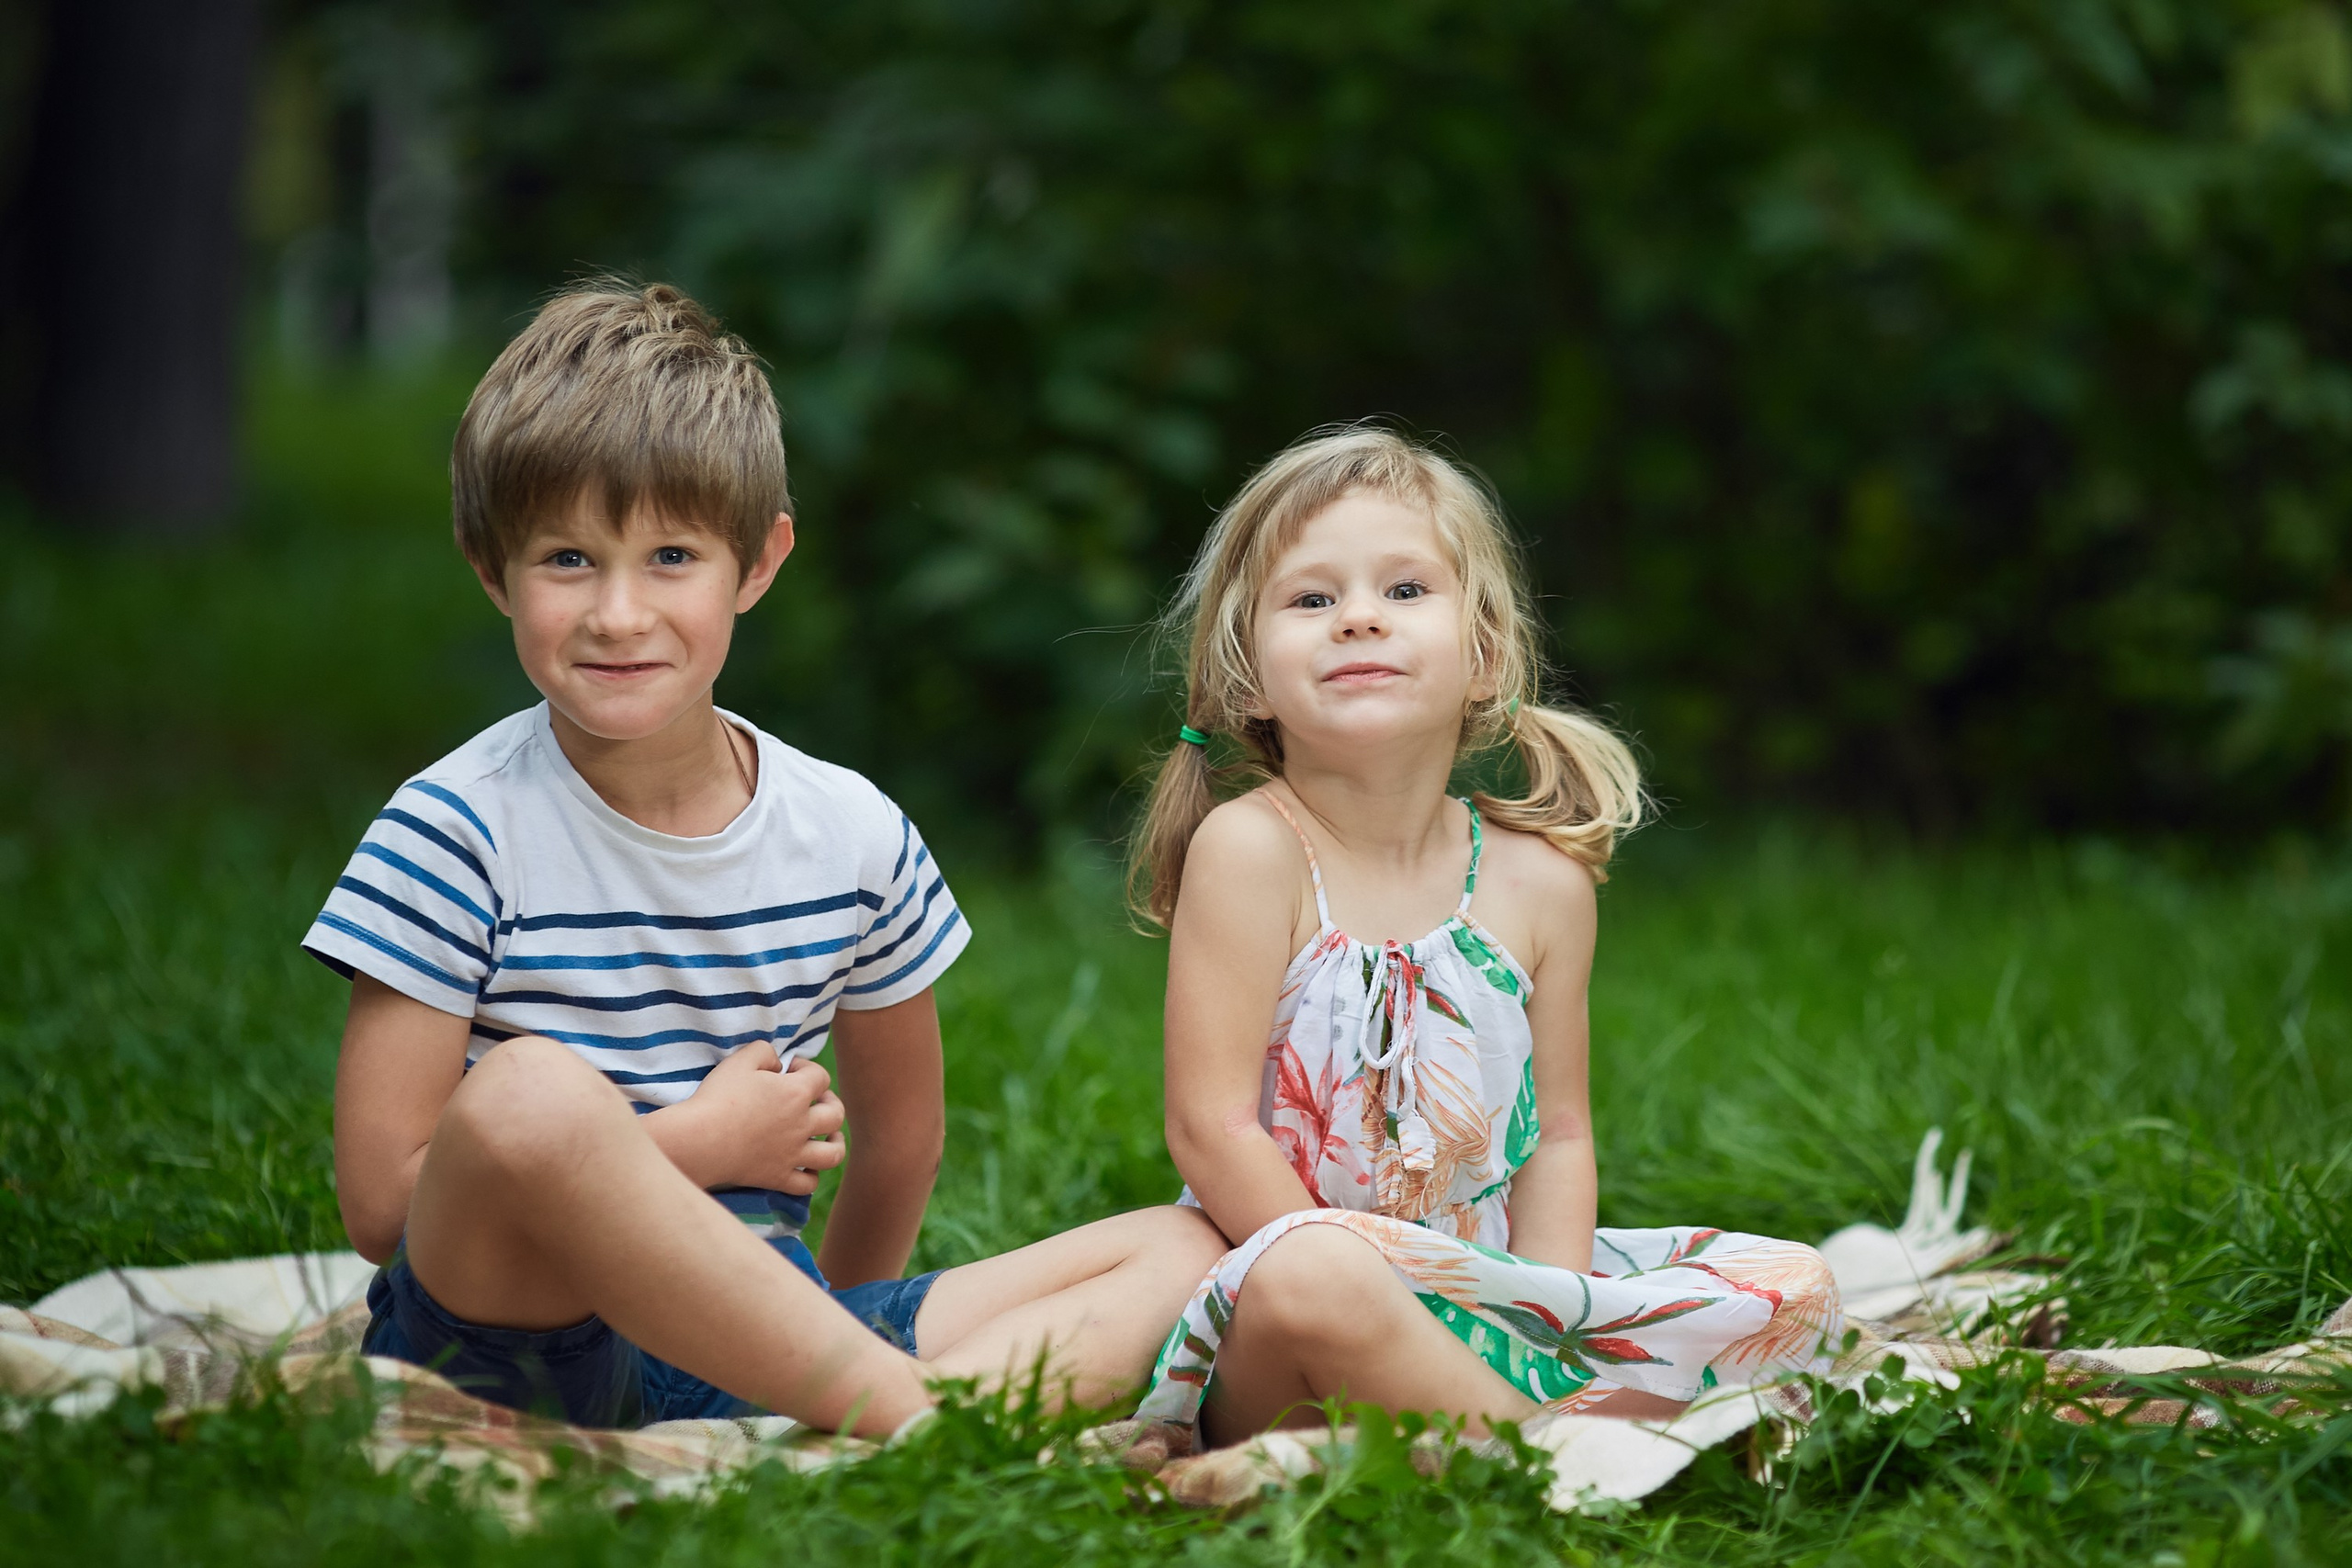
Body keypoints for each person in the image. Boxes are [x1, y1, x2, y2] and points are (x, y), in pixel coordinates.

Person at [308, 279, 1223, 1436]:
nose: (621, 613)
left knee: (1189, 1242)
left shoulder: (851, 835)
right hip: (523, 1344)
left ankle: (855, 1395)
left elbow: (902, 1139)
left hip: (753, 1334)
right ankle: (913, 1414)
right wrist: (700, 1143)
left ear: (759, 560)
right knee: (530, 1091)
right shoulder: (453, 831)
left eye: (673, 555)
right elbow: (385, 1203)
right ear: (492, 568)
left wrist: (810, 1330)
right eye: (568, 560)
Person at [1125, 427, 1841, 1446]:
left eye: (1406, 591)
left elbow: (1558, 1136)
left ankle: (1483, 1419)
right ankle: (1558, 1449)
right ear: (1246, 679)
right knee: (1317, 1282)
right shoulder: (1252, 852)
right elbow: (1211, 1130)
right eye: (1311, 599)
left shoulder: (1541, 884)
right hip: (1293, 1285)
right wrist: (1396, 1291)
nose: (1359, 618)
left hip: (1491, 1283)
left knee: (1795, 1284)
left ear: (1486, 656)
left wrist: (1545, 1312)